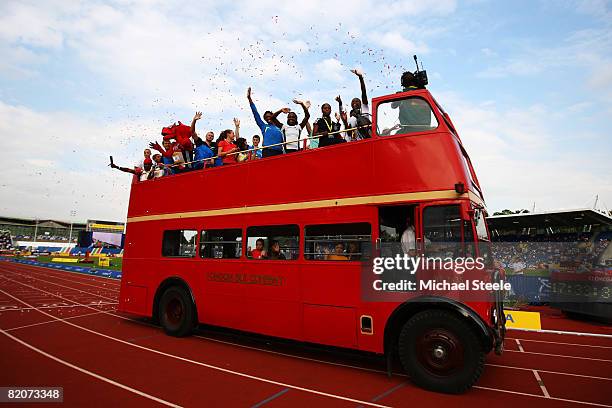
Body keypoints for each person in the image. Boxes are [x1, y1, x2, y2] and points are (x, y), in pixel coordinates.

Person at [247, 87, 284, 157]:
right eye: (266, 117)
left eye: (269, 116)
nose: (268, 118)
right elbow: (255, 113)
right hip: (267, 151)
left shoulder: (279, 126)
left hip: (279, 151)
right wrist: (249, 99)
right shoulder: (264, 126)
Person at [347, 69, 372, 140]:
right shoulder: (351, 118)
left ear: (361, 103)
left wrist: (361, 78)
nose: (355, 103)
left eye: (357, 101)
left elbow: (363, 92)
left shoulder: (364, 108)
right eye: (353, 102)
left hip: (368, 138)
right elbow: (349, 133)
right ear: (351, 105)